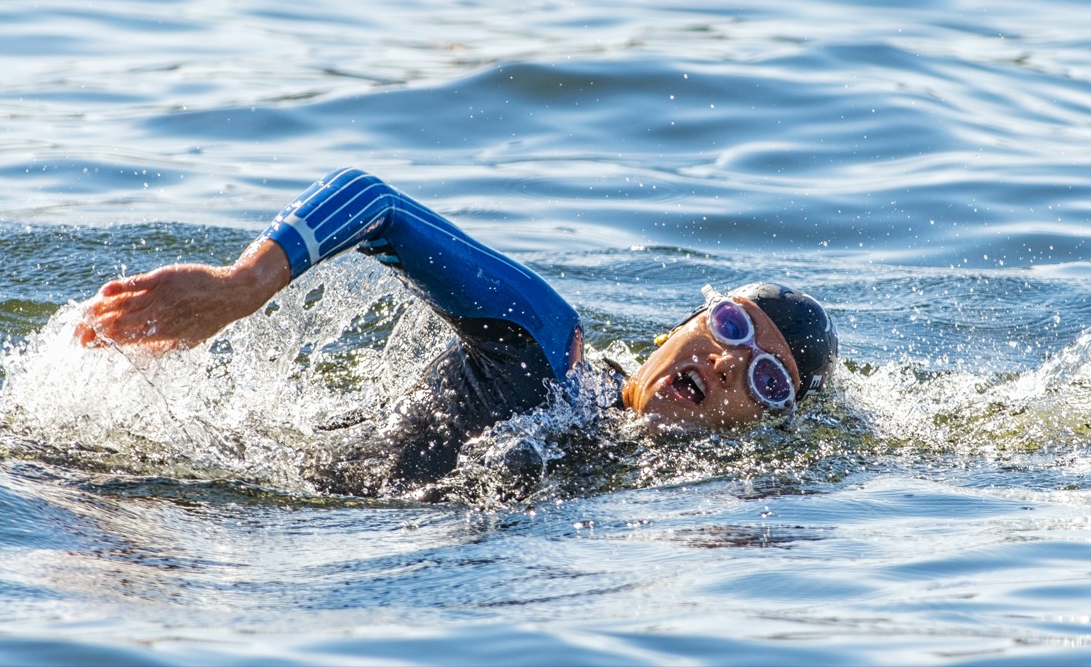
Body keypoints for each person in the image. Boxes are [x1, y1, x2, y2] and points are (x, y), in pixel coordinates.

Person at [76, 167, 837, 495]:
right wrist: (242, 286)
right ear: (683, 322)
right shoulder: (549, 348)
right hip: (160, 470)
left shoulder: (660, 484)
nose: (728, 362)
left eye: (767, 381)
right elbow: (373, 203)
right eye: (730, 325)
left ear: (765, 428)